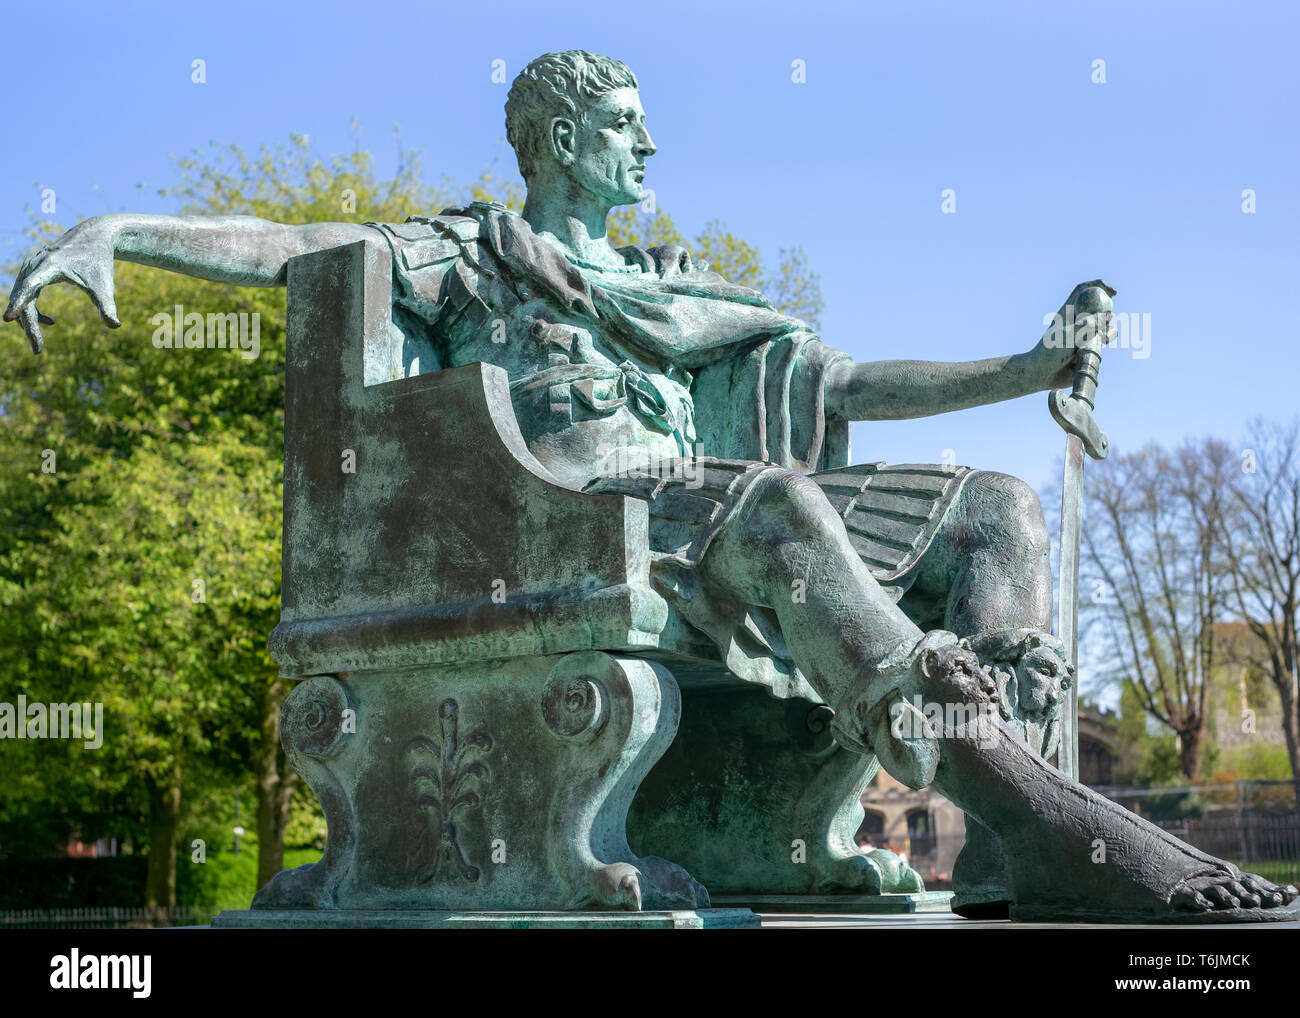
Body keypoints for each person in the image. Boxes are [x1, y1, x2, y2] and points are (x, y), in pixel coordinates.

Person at [7, 49, 1296, 923]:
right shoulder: (471, 259)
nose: (650, 144)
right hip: (550, 521)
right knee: (786, 507)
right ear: (561, 136)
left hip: (709, 507)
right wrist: (121, 232)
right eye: (627, 126)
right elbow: (299, 251)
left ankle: (1016, 834)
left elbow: (843, 384)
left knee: (997, 510)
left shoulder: (668, 288)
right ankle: (1074, 840)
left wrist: (1026, 367)